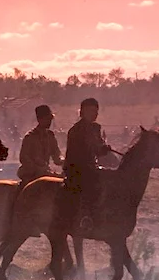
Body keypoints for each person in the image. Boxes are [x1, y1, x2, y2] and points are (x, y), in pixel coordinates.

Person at [61, 97, 113, 230]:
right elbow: (83, 150)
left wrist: (104, 149)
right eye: (91, 111)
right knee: (90, 183)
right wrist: (99, 149)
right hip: (76, 167)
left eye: (96, 111)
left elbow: (99, 149)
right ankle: (85, 216)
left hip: (91, 166)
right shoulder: (76, 130)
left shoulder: (96, 128)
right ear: (82, 112)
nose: (95, 114)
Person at [17, 104, 62, 184]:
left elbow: (57, 157)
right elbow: (23, 158)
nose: (49, 122)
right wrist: (38, 168)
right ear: (39, 120)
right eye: (47, 119)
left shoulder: (50, 136)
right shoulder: (30, 137)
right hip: (31, 174)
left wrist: (66, 162)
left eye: (50, 119)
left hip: (45, 172)